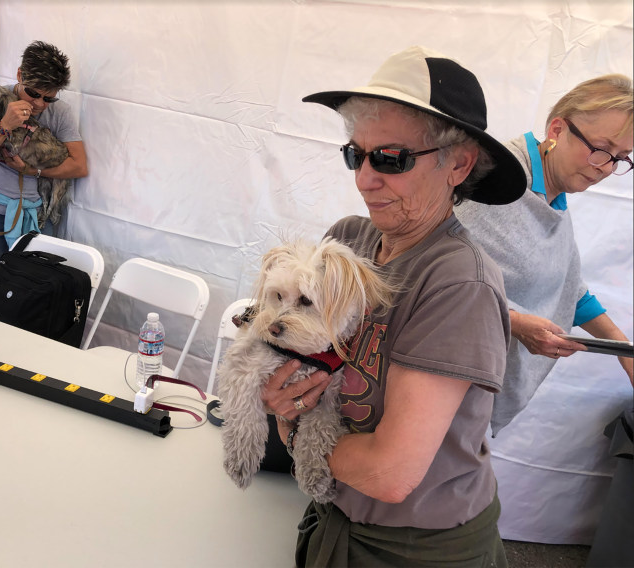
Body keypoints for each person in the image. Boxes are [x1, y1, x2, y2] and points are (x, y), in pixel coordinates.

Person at [258, 46, 527, 567]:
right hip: (333, 514)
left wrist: (291, 426)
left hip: (412, 552)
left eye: (391, 158)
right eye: (355, 154)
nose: (363, 178)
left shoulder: (457, 281)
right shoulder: (348, 241)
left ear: (460, 164)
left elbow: (390, 472)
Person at [456, 74, 634, 435]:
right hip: (441, 376)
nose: (605, 168)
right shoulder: (498, 180)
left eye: (621, 158)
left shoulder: (553, 197)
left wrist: (625, 353)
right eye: (601, 148)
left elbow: (568, 289)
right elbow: (433, 281)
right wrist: (518, 325)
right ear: (557, 129)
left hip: (474, 390)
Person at [0, 40, 88, 310]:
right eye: (33, 93)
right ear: (19, 76)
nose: (40, 103)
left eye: (48, 97)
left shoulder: (60, 112)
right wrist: (4, 125)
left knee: (32, 296)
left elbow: (79, 166)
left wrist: (32, 170)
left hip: (36, 215)